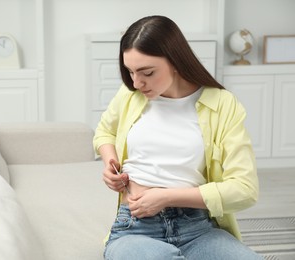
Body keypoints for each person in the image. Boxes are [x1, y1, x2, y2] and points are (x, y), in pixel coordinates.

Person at [93, 15, 262, 260]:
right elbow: (105, 131)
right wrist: (110, 162)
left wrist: (166, 197)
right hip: (135, 230)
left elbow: (245, 190)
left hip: (198, 229)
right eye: (130, 72)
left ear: (175, 60)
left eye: (147, 72)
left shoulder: (223, 104)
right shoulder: (130, 95)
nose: (137, 82)